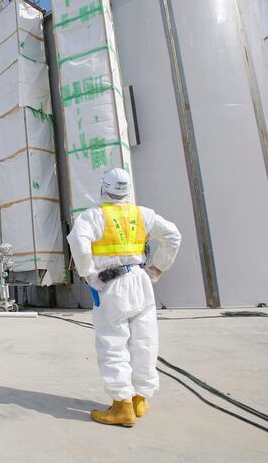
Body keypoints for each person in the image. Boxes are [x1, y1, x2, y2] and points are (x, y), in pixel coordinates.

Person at [67, 167, 181, 427]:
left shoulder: (93, 217)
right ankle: (140, 399)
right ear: (128, 190)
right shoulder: (143, 215)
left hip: (112, 284)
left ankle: (121, 405)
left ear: (103, 188)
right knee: (145, 341)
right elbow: (173, 235)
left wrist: (89, 274)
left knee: (113, 343)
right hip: (141, 280)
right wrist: (158, 267)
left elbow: (78, 242)